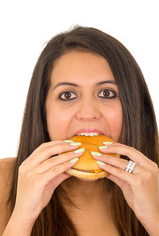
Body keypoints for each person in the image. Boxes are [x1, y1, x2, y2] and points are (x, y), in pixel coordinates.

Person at [0, 26, 159, 236]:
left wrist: (154, 218)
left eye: (106, 93)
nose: (88, 113)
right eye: (67, 95)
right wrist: (22, 218)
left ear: (133, 104)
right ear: (42, 110)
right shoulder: (5, 179)